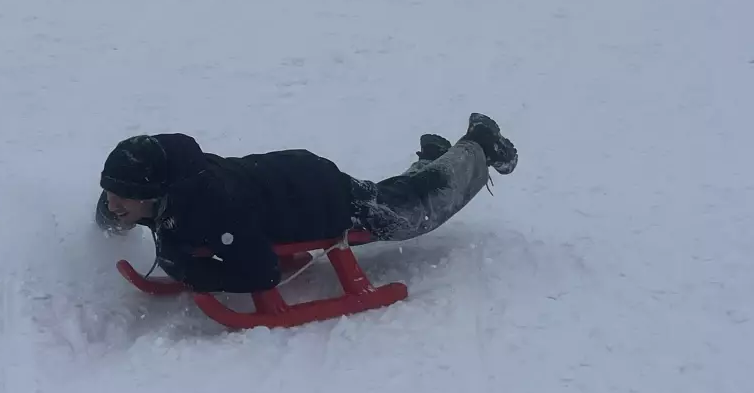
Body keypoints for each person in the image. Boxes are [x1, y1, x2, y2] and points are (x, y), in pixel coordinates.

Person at [94, 115, 517, 293]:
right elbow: (116, 207)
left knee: (412, 214)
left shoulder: (211, 209)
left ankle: (479, 141)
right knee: (397, 196)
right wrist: (112, 223)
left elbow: (261, 273)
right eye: (109, 192)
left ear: (154, 192)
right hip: (285, 173)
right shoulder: (161, 182)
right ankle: (431, 156)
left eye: (121, 198)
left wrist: (192, 272)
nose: (112, 204)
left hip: (319, 195)